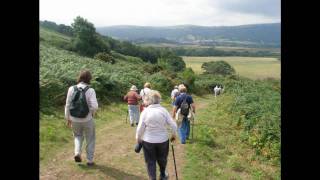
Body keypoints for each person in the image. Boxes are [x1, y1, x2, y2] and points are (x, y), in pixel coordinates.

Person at [136, 90, 177, 180]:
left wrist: (138, 139)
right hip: (163, 140)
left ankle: (152, 178)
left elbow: (139, 129)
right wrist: (174, 135)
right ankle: (162, 174)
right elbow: (173, 125)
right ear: (158, 99)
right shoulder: (163, 110)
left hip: (148, 141)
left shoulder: (145, 112)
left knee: (150, 162)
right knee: (162, 159)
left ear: (149, 100)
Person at [65, 70, 98, 166]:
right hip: (87, 119)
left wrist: (68, 118)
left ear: (79, 77)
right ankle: (90, 160)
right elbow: (95, 106)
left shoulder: (71, 88)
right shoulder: (90, 90)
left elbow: (67, 105)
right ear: (89, 79)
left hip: (74, 118)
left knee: (77, 136)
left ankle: (77, 153)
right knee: (90, 139)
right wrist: (90, 111)